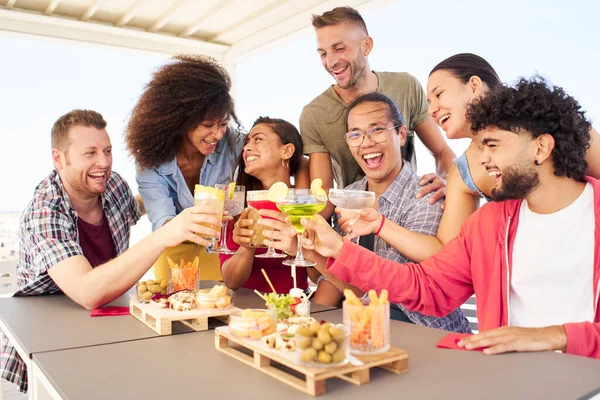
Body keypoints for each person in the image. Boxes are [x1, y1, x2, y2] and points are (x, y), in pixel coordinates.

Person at [302, 77, 600, 359]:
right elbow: (427, 287)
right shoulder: (490, 223)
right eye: (481, 146)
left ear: (541, 147)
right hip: (510, 381)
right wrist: (338, 249)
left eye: (493, 145)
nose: (482, 159)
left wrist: (557, 336)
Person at [1, 110, 221, 393]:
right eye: (90, 153)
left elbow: (138, 205)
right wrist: (164, 235)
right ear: (59, 159)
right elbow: (87, 292)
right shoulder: (44, 211)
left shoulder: (113, 185)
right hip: (46, 338)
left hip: (104, 324)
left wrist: (173, 192)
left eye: (107, 151)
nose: (103, 162)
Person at [307, 92, 470, 332]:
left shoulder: (426, 195)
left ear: (401, 134)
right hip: (368, 327)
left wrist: (338, 249)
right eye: (355, 134)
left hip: (425, 330)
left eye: (377, 130)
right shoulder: (348, 196)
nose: (366, 142)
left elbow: (390, 288)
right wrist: (307, 249)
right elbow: (346, 285)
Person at [426, 52, 600, 244]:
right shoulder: (464, 174)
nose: (431, 110)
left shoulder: (551, 116)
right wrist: (386, 223)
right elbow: (446, 252)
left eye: (439, 94)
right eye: (428, 102)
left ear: (474, 85)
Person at [300, 6, 456, 219]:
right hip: (354, 222)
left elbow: (442, 152)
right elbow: (323, 193)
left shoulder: (406, 86)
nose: (330, 62)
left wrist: (448, 185)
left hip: (409, 214)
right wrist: (302, 227)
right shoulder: (314, 114)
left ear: (366, 46)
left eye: (339, 48)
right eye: (323, 53)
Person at [125, 55, 248, 281]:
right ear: (180, 121)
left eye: (222, 124)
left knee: (221, 305)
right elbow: (164, 222)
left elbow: (274, 152)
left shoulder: (231, 142)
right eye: (208, 125)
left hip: (220, 247)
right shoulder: (150, 161)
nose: (218, 134)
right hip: (173, 246)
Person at [220, 117, 315, 293]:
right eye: (247, 141)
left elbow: (318, 276)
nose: (247, 147)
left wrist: (300, 244)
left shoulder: (306, 204)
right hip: (247, 311)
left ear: (286, 151)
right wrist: (246, 248)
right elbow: (231, 281)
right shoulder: (237, 204)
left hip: (295, 310)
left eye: (258, 139)